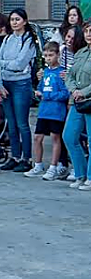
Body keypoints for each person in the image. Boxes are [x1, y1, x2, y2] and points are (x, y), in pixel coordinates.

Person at [0, 8, 40, 172]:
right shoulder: (8, 38)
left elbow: (20, 64)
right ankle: (15, 156)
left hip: (21, 84)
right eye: (12, 20)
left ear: (24, 21)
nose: (14, 22)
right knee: (11, 123)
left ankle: (26, 158)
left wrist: (6, 64)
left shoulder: (29, 40)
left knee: (22, 123)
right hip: (6, 83)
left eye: (17, 19)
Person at [26, 41, 68, 179]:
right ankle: (38, 165)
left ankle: (53, 167)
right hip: (44, 111)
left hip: (56, 111)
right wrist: (38, 93)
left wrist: (48, 95)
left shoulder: (61, 73)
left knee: (56, 137)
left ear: (57, 55)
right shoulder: (44, 72)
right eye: (46, 55)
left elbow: (65, 93)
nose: (48, 58)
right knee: (37, 137)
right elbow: (40, 87)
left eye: (51, 55)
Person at [61, 28, 91, 191]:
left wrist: (83, 92)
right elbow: (70, 75)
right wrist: (74, 90)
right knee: (69, 136)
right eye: (86, 31)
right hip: (77, 101)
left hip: (89, 99)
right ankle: (81, 174)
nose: (89, 34)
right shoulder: (81, 52)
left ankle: (90, 177)